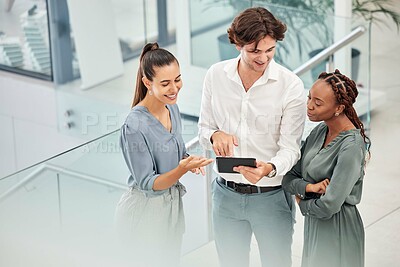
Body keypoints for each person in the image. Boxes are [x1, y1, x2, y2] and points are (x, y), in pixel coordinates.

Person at [198, 7, 306, 267]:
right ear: (237, 43)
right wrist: (214, 135)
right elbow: (203, 128)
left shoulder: (290, 86)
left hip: (271, 197)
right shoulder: (215, 75)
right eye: (254, 51)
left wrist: (269, 169)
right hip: (225, 196)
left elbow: (291, 149)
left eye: (270, 50)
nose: (263, 58)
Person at [115, 42, 213, 267]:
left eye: (177, 79)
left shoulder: (172, 108)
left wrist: (188, 160)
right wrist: (182, 169)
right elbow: (149, 182)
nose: (174, 89)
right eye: (166, 83)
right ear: (147, 83)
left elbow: (173, 150)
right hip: (144, 212)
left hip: (171, 208)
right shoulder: (134, 126)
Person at [282, 69, 370, 267]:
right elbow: (288, 179)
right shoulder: (320, 130)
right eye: (309, 97)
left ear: (339, 108)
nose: (309, 106)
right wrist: (309, 188)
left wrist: (302, 204)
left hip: (339, 230)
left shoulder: (352, 146)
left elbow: (329, 205)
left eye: (318, 103)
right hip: (315, 226)